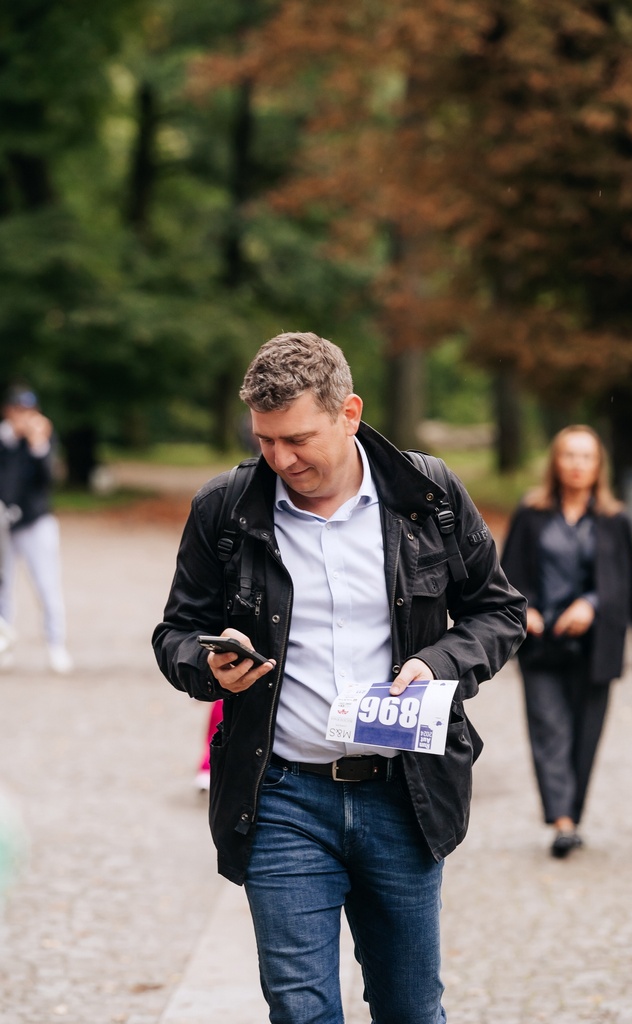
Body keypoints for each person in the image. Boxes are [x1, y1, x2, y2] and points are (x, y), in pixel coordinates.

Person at [153, 331, 526, 1024]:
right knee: (300, 1011)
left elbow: (500, 613)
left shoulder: (427, 496)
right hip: (280, 798)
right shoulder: (225, 507)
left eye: (297, 439)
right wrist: (207, 666)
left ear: (349, 413)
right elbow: (174, 632)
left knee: (410, 1008)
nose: (280, 458)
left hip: (403, 793)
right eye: (265, 440)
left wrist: (438, 662)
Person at [501, 425, 632, 859]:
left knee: (586, 735)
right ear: (555, 462)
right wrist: (524, 610)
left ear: (598, 465)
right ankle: (562, 823)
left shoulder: (614, 519)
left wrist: (591, 604)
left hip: (595, 645)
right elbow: (506, 574)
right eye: (569, 455)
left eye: (586, 456)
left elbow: (626, 583)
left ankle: (572, 812)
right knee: (549, 730)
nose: (577, 464)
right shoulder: (531, 513)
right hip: (541, 644)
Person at [0, 386, 73, 674]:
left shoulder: (42, 438)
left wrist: (37, 445)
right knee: (3, 588)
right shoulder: (4, 439)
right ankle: (4, 644)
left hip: (35, 521)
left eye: (28, 411)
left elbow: (48, 479)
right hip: (4, 523)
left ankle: (56, 645)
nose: (23, 416)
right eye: (18, 410)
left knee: (47, 585)